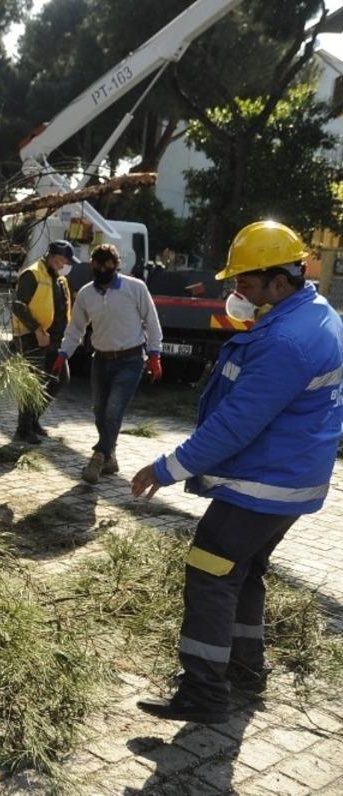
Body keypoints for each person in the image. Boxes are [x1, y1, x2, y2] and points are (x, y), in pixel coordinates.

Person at [131, 221, 343, 725]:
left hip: (261, 485)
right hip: (289, 480)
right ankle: (246, 666)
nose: (237, 291)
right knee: (244, 569)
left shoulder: (286, 340)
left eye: (245, 281)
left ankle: (204, 692)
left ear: (280, 280)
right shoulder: (317, 314)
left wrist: (165, 469)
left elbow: (234, 426)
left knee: (209, 571)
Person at [53, 243, 163, 484]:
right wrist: (63, 354)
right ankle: (110, 458)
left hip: (131, 360)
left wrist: (154, 355)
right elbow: (76, 329)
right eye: (98, 264)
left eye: (107, 264)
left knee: (114, 410)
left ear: (116, 264)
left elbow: (152, 322)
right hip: (101, 360)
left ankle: (98, 457)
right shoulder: (86, 294)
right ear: (92, 265)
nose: (102, 269)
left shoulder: (135, 288)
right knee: (100, 413)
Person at [11, 240, 75, 443]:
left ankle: (33, 420)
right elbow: (18, 305)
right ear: (52, 257)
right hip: (31, 337)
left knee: (60, 378)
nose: (63, 265)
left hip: (54, 339)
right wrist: (37, 330)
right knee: (33, 383)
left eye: (66, 262)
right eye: (61, 260)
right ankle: (23, 430)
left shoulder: (60, 279)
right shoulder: (33, 273)